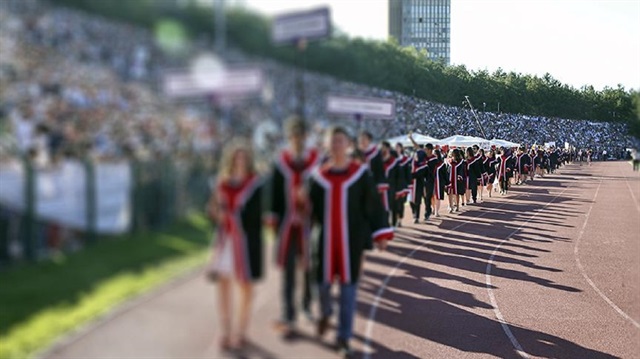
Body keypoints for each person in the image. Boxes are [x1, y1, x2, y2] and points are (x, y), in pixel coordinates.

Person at [309, 126, 393, 358]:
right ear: (328, 145)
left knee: (348, 291)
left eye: (340, 140)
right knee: (322, 286)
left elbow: (373, 206)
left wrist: (381, 233)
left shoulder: (359, 174)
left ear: (348, 145)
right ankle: (325, 311)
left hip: (351, 242)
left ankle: (344, 338)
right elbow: (310, 211)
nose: (336, 145)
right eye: (332, 141)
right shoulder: (318, 178)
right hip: (325, 242)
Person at [207, 140, 264, 351]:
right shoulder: (222, 183)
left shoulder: (254, 184)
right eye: (236, 157)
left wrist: (232, 218)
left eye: (244, 157)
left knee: (246, 288)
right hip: (225, 241)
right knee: (223, 286)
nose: (240, 161)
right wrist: (215, 213)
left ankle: (241, 331)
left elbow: (256, 217)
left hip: (246, 243)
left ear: (249, 160)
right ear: (230, 159)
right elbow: (212, 208)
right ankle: (225, 330)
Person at [269, 116, 319, 337]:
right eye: (293, 136)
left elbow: (321, 193)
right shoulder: (281, 163)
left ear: (305, 137)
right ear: (289, 138)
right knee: (288, 269)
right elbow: (274, 196)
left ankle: (306, 305)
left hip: (309, 223)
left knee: (308, 267)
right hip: (288, 225)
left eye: (301, 135)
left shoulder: (315, 163)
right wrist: (275, 222)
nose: (297, 139)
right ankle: (288, 312)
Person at [393, 142, 412, 227]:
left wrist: (408, 185)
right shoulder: (391, 159)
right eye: (395, 147)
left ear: (401, 149)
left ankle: (399, 219)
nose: (397, 149)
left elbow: (408, 173)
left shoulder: (405, 160)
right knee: (393, 204)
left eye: (398, 147)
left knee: (401, 203)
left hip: (402, 185)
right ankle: (394, 220)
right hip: (393, 185)